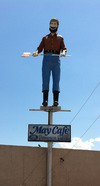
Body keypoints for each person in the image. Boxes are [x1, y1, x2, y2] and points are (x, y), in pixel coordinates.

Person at [32, 18, 67, 107]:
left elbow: (64, 48)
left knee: (56, 80)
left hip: (56, 60)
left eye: (55, 24)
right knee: (45, 79)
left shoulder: (60, 38)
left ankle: (56, 101)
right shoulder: (45, 38)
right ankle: (45, 100)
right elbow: (39, 48)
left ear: (57, 26)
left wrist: (63, 53)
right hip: (46, 59)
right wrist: (36, 52)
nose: (53, 25)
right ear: (49, 25)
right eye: (51, 24)